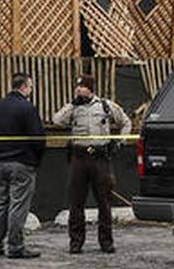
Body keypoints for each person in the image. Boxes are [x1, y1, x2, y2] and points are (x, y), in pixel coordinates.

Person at [50, 75, 131, 253]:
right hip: (79, 158)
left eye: (82, 87)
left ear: (91, 89)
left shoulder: (105, 106)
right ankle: (76, 242)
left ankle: (106, 242)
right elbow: (56, 120)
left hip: (100, 158)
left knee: (104, 202)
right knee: (76, 202)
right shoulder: (73, 107)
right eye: (77, 87)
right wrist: (72, 104)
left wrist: (120, 142)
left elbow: (126, 122)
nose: (78, 90)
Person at [0, 73, 45, 259]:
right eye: (31, 86)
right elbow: (38, 138)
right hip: (21, 163)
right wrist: (36, 160)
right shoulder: (27, 108)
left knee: (0, 204)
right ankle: (15, 246)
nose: (32, 90)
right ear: (25, 87)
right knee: (18, 206)